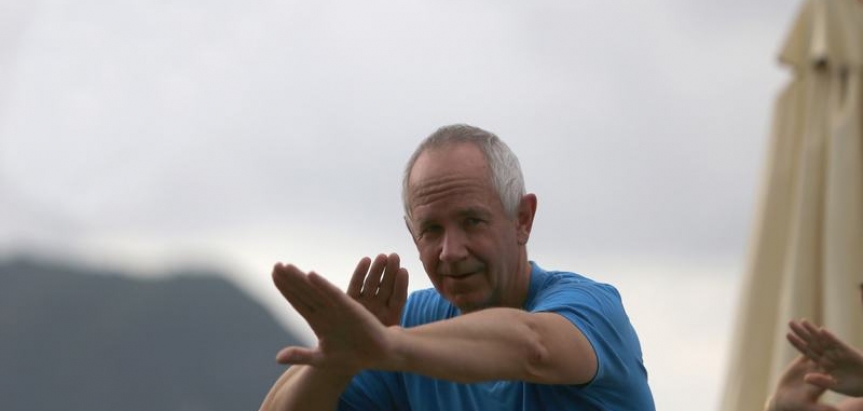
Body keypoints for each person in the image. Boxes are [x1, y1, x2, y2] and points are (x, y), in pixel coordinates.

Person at [259, 124, 655, 411]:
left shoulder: (590, 309)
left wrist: (391, 346)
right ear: (413, 236)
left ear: (522, 219)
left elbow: (533, 345)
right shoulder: (406, 323)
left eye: (472, 221)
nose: (450, 251)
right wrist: (338, 362)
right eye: (432, 229)